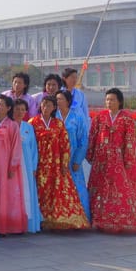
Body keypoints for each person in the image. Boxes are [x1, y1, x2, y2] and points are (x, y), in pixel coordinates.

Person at [87, 88, 136, 233]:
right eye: (107, 100)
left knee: (120, 190)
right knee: (101, 189)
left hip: (119, 161)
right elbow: (92, 136)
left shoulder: (126, 118)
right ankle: (100, 220)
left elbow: (130, 140)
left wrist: (128, 160)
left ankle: (121, 219)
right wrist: (90, 155)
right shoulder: (100, 117)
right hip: (101, 160)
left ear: (120, 101)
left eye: (112, 100)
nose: (109, 103)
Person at [31, 96, 90, 230]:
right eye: (44, 105)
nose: (46, 108)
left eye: (49, 105)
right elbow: (30, 146)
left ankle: (59, 218)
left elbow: (65, 145)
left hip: (56, 166)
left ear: (54, 108)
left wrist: (64, 164)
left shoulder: (58, 124)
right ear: (40, 106)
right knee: (41, 192)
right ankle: (41, 220)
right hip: (40, 165)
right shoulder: (33, 122)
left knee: (57, 192)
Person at [0, 95, 26, 235]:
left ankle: (6, 225)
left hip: (5, 165)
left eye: (1, 105)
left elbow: (16, 147)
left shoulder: (12, 125)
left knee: (6, 194)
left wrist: (12, 166)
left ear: (8, 108)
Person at [56, 89, 91, 221]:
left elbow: (83, 140)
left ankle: (81, 217)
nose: (58, 101)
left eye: (61, 99)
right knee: (60, 188)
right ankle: (61, 218)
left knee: (77, 187)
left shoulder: (77, 117)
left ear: (68, 101)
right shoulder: (54, 117)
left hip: (73, 159)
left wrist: (77, 160)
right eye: (57, 99)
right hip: (57, 159)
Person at [13, 99, 43, 233]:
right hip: (13, 166)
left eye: (22, 109)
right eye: (17, 109)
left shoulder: (28, 127)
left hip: (26, 165)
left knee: (27, 193)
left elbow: (33, 149)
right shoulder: (9, 125)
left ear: (26, 111)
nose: (19, 112)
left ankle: (28, 223)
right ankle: (13, 222)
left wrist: (33, 168)